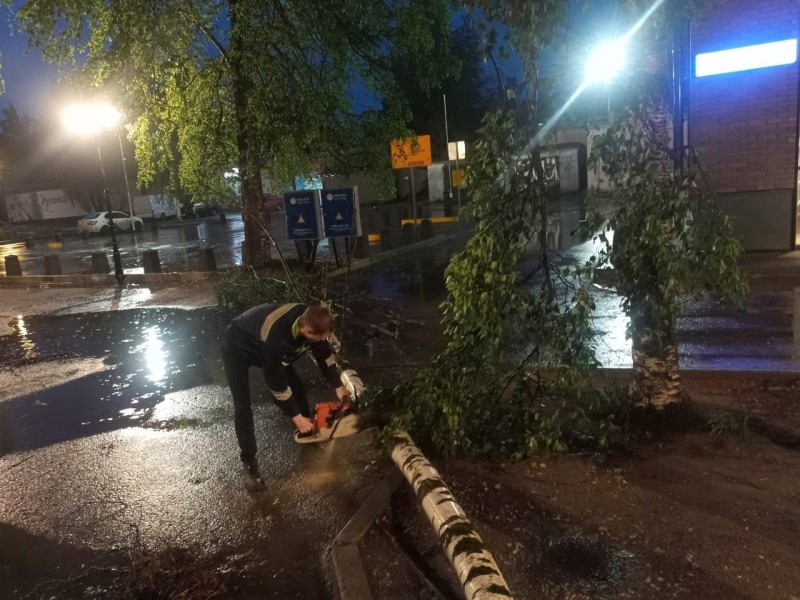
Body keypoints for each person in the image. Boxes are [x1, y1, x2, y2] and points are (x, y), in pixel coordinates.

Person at [221, 302, 350, 491]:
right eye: (321, 337)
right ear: (307, 330)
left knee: (297, 387)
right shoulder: (276, 339)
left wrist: (337, 385)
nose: (324, 340)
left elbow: (324, 354)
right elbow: (276, 384)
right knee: (243, 407)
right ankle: (250, 465)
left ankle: (307, 438)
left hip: (264, 342)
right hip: (236, 346)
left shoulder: (313, 317)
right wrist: (295, 415)